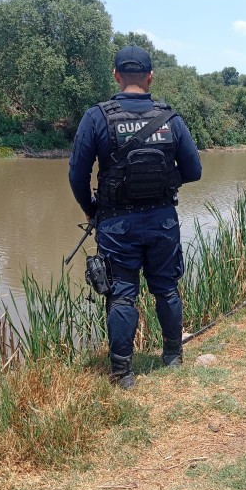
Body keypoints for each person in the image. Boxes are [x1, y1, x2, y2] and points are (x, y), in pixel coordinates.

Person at [68, 46, 202, 389]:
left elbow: (76, 175)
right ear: (150, 77)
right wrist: (164, 183)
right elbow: (194, 171)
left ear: (115, 75)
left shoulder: (96, 117)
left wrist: (91, 209)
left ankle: (123, 373)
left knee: (122, 294)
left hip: (116, 223)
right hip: (162, 220)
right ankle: (172, 356)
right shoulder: (170, 118)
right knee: (166, 289)